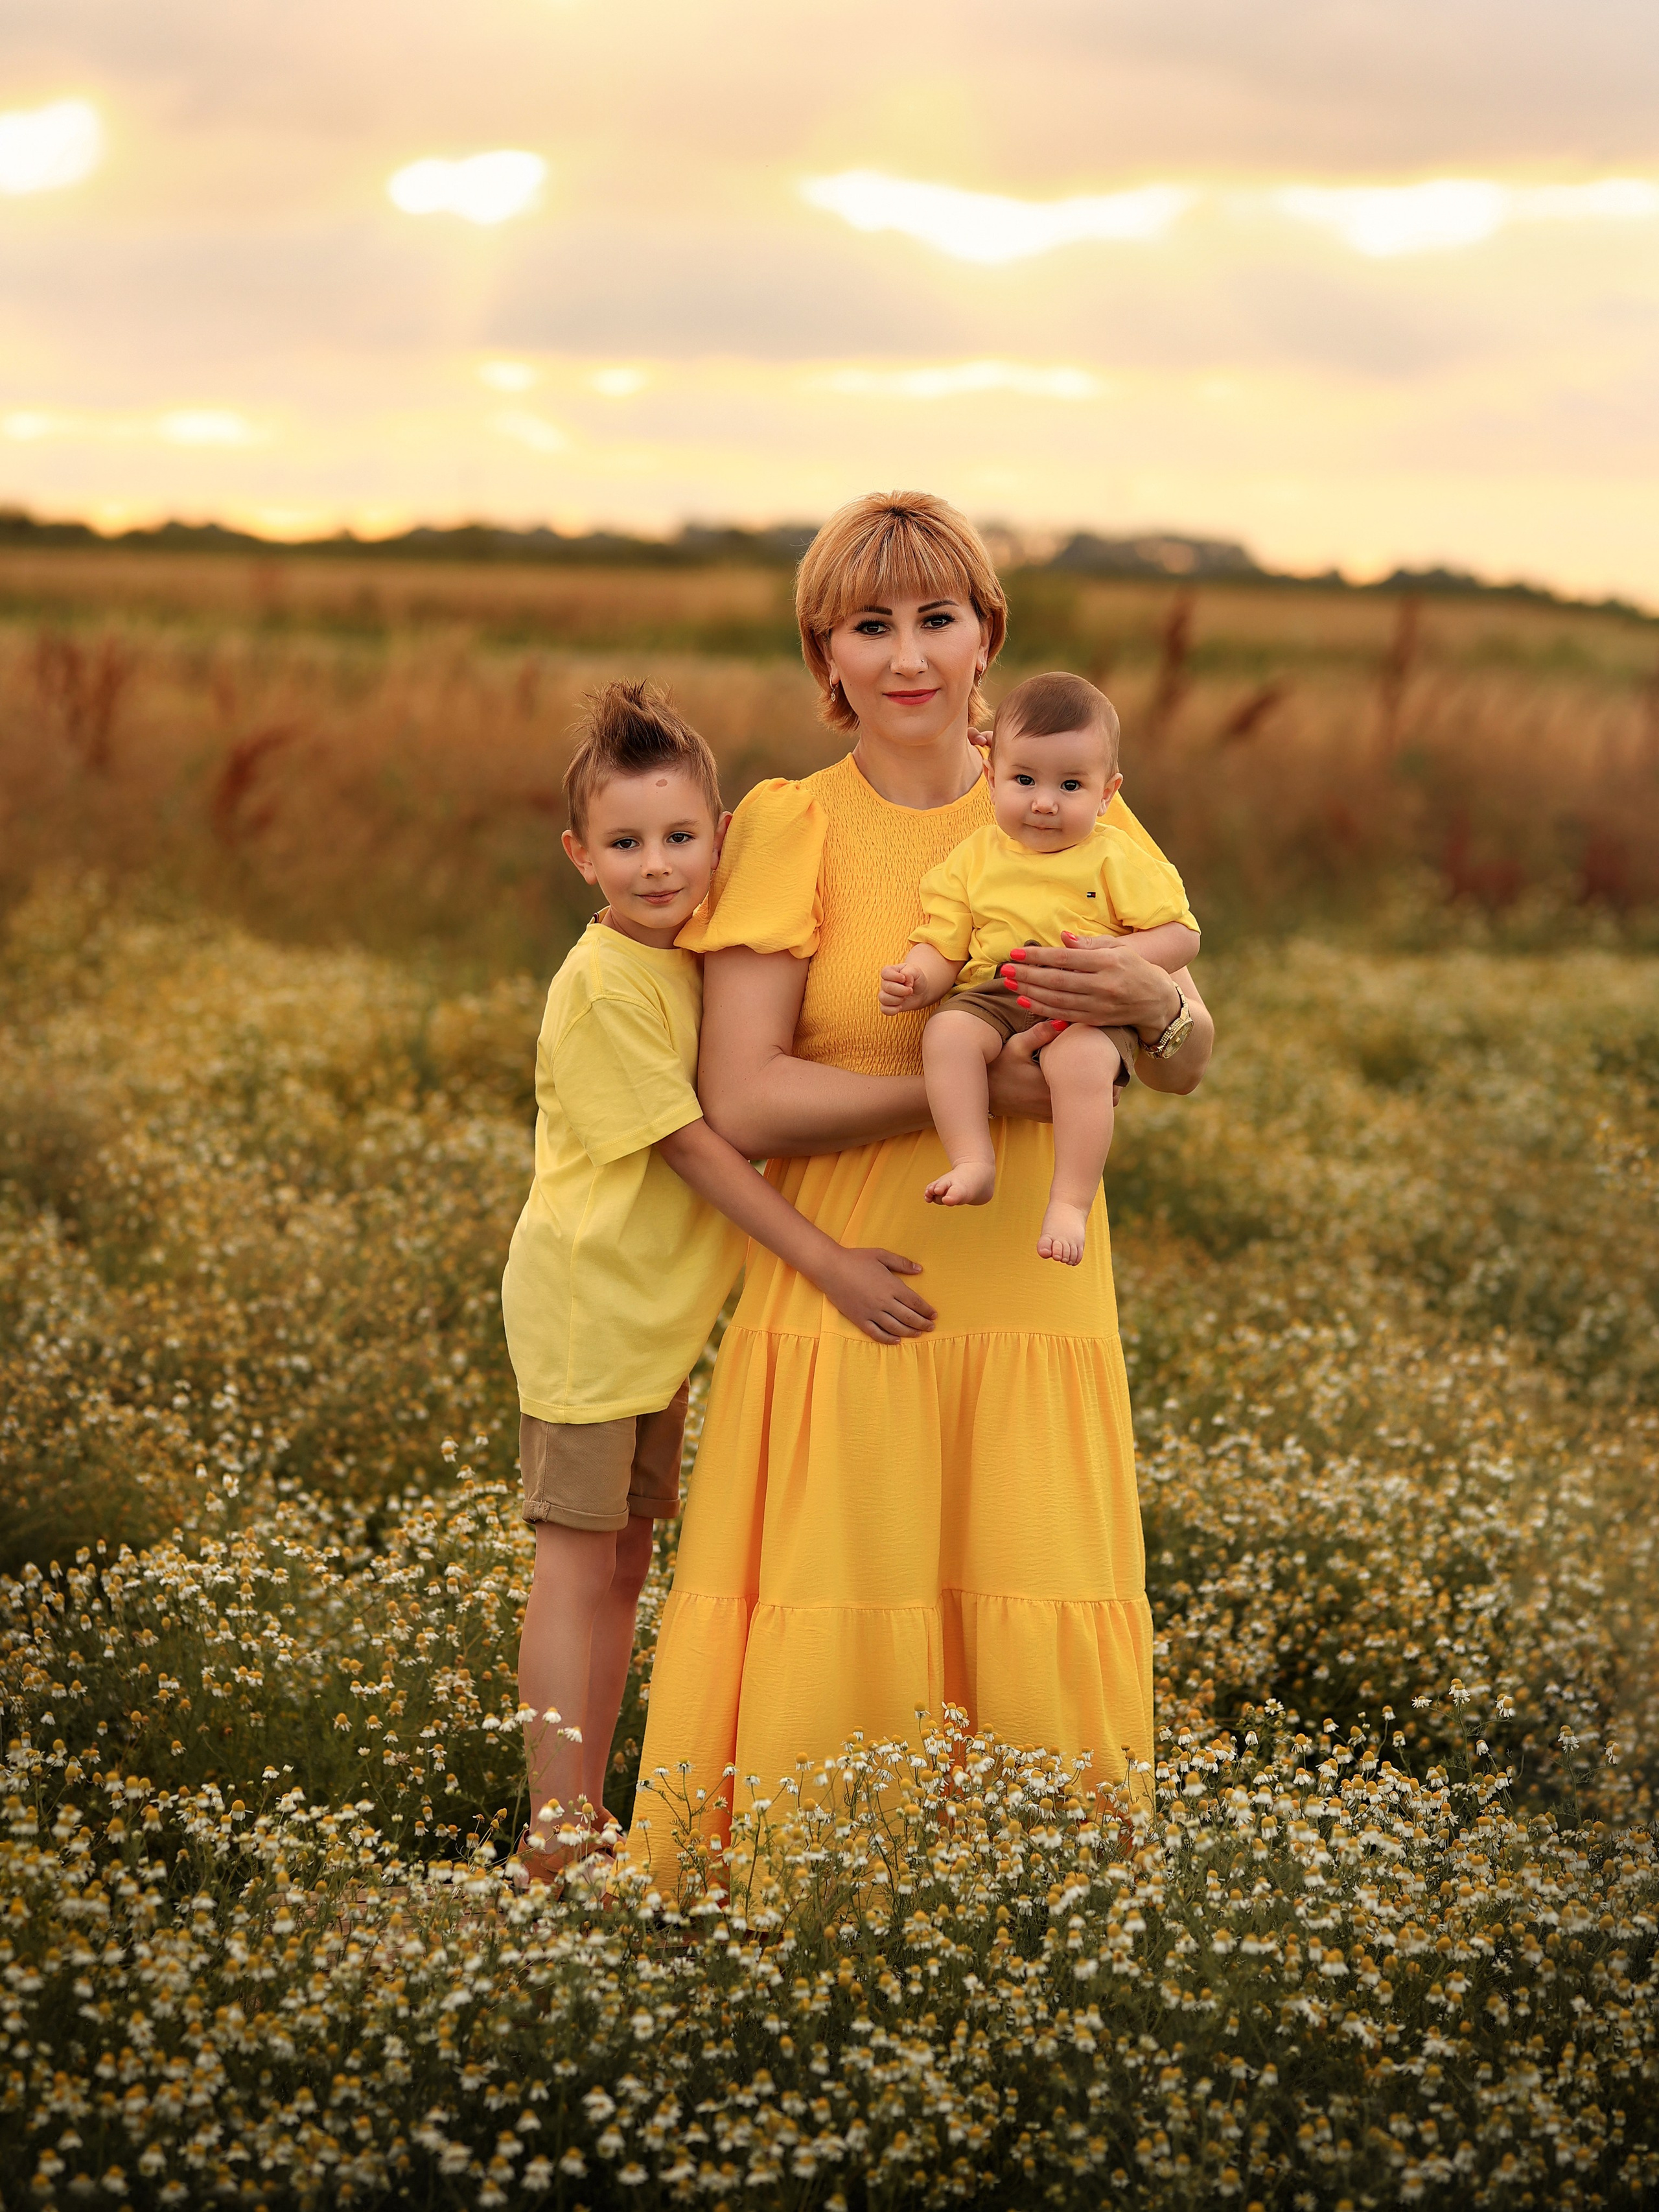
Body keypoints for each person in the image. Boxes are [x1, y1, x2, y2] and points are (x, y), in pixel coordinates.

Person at [627, 492, 1214, 1886]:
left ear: (984, 635)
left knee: (1024, 1582)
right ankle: (805, 1914)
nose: (905, 655)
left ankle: (1027, 1925)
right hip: (846, 1290)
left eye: (934, 619)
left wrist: (1160, 1004)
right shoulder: (785, 826)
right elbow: (745, 1095)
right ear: (821, 658)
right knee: (851, 1598)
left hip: (1034, 1296)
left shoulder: (1063, 799)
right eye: (867, 624)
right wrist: (961, 1095)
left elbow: (1177, 1059)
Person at [500, 681, 937, 1885]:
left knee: (628, 1560)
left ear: (722, 836)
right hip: (592, 1308)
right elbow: (699, 1145)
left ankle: (587, 1807)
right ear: (580, 855)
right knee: (576, 1561)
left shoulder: (693, 960)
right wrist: (829, 1261)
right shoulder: (603, 982)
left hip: (656, 1320)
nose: (658, 866)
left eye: (681, 837)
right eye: (627, 844)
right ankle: (555, 1832)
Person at [879, 669, 1200, 1264]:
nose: (1045, 802)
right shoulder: (973, 857)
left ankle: (1070, 1202)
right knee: (947, 1032)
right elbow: (946, 943)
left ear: (1108, 792)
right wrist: (917, 978)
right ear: (991, 772)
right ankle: (973, 1159)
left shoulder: (1116, 855)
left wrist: (1124, 960)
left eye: (1072, 785)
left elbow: (1181, 935)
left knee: (1083, 1062)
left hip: (1086, 999)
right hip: (998, 987)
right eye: (1024, 779)